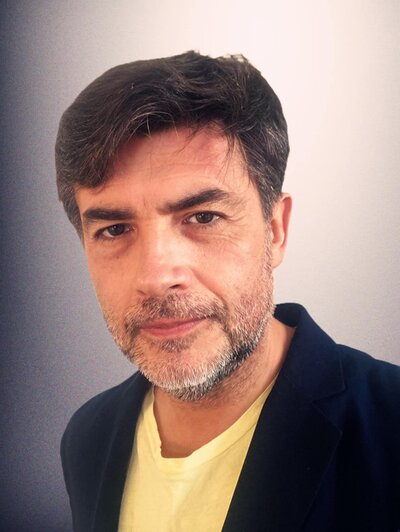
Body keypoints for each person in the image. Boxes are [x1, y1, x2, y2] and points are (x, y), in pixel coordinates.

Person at [56, 51, 400, 532]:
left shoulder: (390, 426)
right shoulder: (87, 437)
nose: (156, 276)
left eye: (203, 217)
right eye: (114, 229)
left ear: (275, 230)